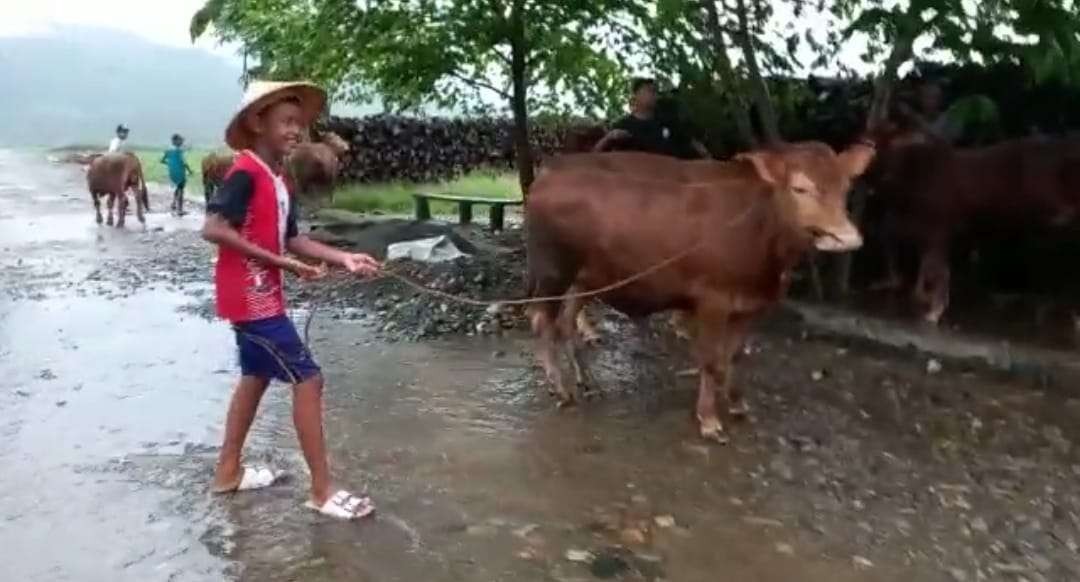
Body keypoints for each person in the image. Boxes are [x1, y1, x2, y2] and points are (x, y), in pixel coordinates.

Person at [202, 80, 382, 520]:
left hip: (262, 297)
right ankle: (322, 491)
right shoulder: (244, 172)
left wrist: (344, 257)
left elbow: (293, 239)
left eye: (300, 124)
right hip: (251, 300)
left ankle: (228, 472)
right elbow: (214, 228)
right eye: (286, 121)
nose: (296, 131)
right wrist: (283, 265)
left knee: (256, 376)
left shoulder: (278, 177)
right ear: (256, 122)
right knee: (309, 379)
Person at [593, 78, 710, 159]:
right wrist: (608, 138)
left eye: (655, 91)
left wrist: (707, 157)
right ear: (635, 97)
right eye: (648, 90)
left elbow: (690, 142)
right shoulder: (623, 125)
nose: (654, 94)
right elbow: (594, 156)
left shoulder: (667, 122)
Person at [162, 134, 194, 215]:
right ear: (176, 141)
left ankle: (173, 203)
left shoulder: (168, 150)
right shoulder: (179, 151)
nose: (182, 142)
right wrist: (190, 171)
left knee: (178, 187)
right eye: (180, 140)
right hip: (180, 172)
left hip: (172, 172)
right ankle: (180, 209)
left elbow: (162, 160)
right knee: (181, 190)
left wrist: (170, 164)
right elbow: (184, 163)